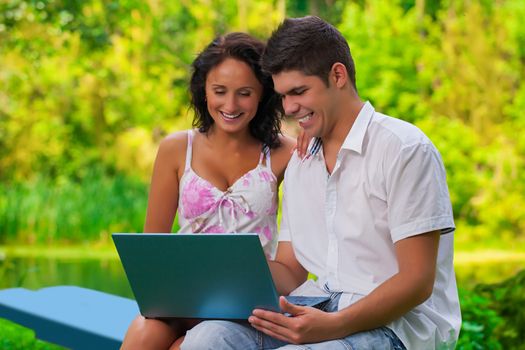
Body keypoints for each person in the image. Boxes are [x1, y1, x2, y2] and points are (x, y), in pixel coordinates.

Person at [180, 16, 461, 350]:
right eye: (283, 96)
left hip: (398, 324)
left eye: (299, 92)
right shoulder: (303, 161)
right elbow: (289, 269)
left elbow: (417, 282)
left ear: (337, 75)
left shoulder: (403, 148)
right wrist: (223, 262)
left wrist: (332, 327)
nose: (290, 108)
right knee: (207, 339)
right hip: (320, 304)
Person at [120, 32, 296, 349]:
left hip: (246, 304)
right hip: (182, 299)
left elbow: (295, 264)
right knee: (145, 332)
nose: (230, 105)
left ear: (262, 94)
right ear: (204, 90)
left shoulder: (284, 153)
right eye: (220, 91)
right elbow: (152, 249)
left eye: (244, 93)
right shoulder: (176, 148)